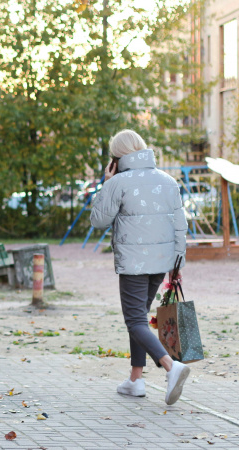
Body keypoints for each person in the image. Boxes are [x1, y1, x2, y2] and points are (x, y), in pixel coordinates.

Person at [90, 129, 190, 405]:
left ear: (116, 158)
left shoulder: (117, 182)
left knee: (134, 320)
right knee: (139, 318)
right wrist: (177, 263)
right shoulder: (169, 181)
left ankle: (172, 367)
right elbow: (180, 226)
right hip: (161, 262)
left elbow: (98, 220)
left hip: (133, 263)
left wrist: (107, 183)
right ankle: (135, 379)